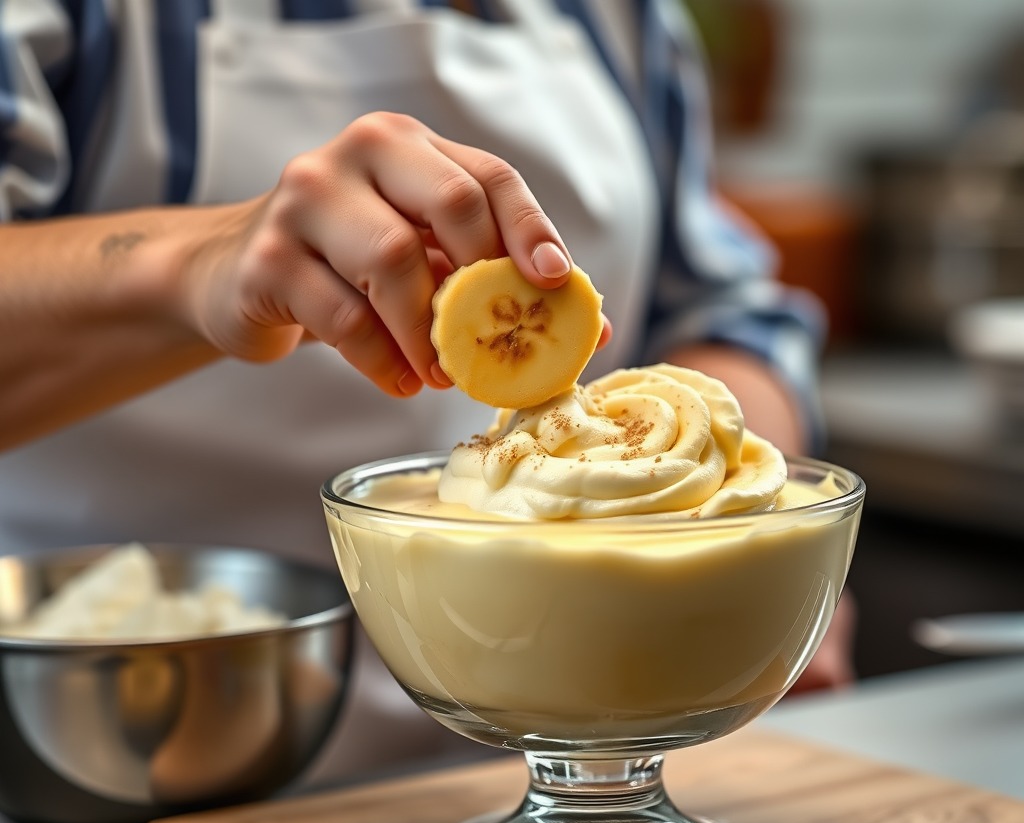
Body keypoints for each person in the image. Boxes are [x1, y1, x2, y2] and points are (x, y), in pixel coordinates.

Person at [0, 0, 853, 780]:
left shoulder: (623, 18)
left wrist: (749, 565)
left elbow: (719, 315)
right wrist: (194, 261)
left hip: (600, 735)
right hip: (121, 748)